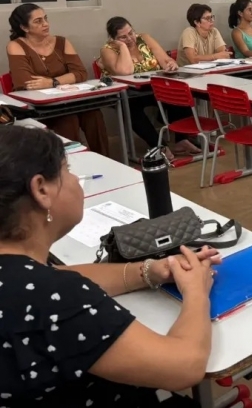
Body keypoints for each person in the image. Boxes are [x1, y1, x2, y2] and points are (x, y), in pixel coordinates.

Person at [0, 125, 219, 407]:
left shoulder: (25, 280)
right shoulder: (55, 297)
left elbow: (56, 276)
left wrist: (149, 271)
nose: (75, 179)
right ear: (41, 189)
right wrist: (197, 292)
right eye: (67, 171)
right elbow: (184, 366)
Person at [6, 4, 110, 156]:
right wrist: (67, 78)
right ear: (24, 27)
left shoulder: (62, 42)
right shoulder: (16, 46)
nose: (45, 24)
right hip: (41, 108)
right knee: (68, 119)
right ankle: (70, 164)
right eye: (38, 21)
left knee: (94, 114)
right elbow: (26, 82)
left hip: (70, 100)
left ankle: (104, 159)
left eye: (45, 19)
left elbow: (80, 73)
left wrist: (52, 82)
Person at [98, 17, 202, 158]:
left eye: (131, 33)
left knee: (179, 95)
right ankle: (158, 145)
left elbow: (164, 60)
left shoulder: (144, 38)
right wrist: (123, 47)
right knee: (130, 108)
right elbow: (125, 71)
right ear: (113, 39)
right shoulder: (107, 50)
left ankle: (181, 140)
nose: (130, 38)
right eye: (123, 37)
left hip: (152, 87)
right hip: (127, 93)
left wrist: (170, 63)